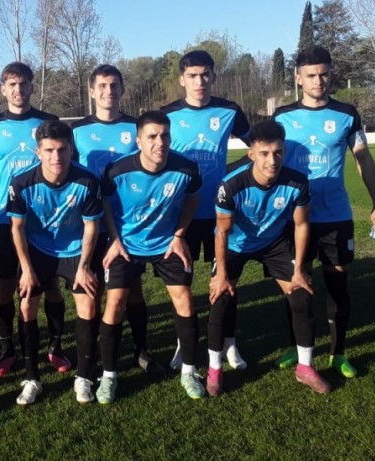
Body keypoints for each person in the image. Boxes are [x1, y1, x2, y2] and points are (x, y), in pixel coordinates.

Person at [272, 46, 375, 377]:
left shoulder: (347, 114)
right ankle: (294, 347)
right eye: (311, 75)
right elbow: (264, 160)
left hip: (335, 216)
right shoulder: (281, 117)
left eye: (324, 73)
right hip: (293, 220)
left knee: (338, 287)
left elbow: (363, 158)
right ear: (298, 78)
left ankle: (338, 353)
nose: (318, 80)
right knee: (295, 288)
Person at [209, 120, 330, 396]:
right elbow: (222, 233)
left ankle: (305, 367)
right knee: (220, 297)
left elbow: (301, 225)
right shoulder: (231, 185)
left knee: (301, 295)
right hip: (236, 244)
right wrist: (222, 276)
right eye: (264, 153)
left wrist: (299, 269)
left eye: (277, 152)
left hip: (273, 243)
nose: (271, 160)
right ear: (251, 154)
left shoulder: (297, 182)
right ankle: (215, 369)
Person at [98, 110, 205, 403]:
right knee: (116, 303)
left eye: (165, 135)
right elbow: (104, 203)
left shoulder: (186, 169)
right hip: (127, 246)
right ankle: (109, 376)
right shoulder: (117, 171)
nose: (160, 142)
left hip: (166, 245)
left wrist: (179, 236)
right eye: (152, 136)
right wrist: (114, 239)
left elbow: (194, 197)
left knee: (184, 298)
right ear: (138, 140)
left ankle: (188, 371)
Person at [0, 62, 69, 378]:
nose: (18, 89)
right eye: (11, 84)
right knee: (5, 288)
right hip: (4, 219)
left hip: (46, 220)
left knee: (50, 284)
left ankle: (55, 346)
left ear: (31, 86)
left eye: (23, 83)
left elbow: (66, 164)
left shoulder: (49, 123)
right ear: (3, 88)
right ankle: (7, 348)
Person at [161, 50, 251, 371]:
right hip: (181, 215)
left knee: (226, 282)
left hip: (220, 213)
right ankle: (182, 346)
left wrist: (230, 170)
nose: (200, 81)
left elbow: (256, 147)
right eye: (193, 76)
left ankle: (229, 344)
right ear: (181, 79)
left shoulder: (229, 111)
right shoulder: (167, 114)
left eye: (205, 75)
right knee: (181, 287)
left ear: (213, 76)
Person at [72, 64, 165, 374]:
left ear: (123, 90)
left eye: (114, 85)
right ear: (91, 90)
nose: (108, 91)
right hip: (88, 221)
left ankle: (142, 350)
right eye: (102, 85)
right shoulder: (78, 130)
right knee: (91, 289)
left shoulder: (135, 127)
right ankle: (95, 352)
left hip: (126, 222)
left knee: (132, 290)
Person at [8, 120, 102, 405]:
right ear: (38, 151)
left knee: (87, 303)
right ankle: (31, 377)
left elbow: (91, 228)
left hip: (75, 250)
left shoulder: (87, 181)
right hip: (38, 250)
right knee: (26, 305)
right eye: (49, 150)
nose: (56, 157)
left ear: (72, 149)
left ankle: (84, 377)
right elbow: (16, 228)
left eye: (62, 149)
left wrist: (84, 267)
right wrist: (25, 269)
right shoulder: (22, 182)